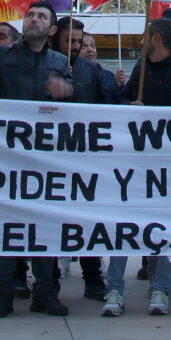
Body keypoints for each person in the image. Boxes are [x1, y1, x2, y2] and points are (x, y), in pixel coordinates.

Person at [0, 0, 74, 319]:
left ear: (52, 30)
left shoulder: (60, 61)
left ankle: (46, 294)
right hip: (7, 158)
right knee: (6, 227)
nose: (33, 20)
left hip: (44, 159)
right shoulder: (1, 56)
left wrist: (68, 91)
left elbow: (75, 108)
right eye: (30, 15)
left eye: (41, 16)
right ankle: (3, 294)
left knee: (44, 228)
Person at [106, 18, 171, 316]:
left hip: (170, 167)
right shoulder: (141, 70)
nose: (141, 42)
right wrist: (128, 106)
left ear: (156, 38)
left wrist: (149, 113)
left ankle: (161, 288)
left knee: (167, 230)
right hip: (135, 165)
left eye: (145, 36)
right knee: (123, 227)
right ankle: (114, 289)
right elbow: (123, 102)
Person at [54, 16, 108, 302]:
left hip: (83, 156)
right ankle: (48, 280)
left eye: (78, 41)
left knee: (88, 220)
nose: (74, 46)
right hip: (50, 156)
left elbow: (104, 107)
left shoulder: (90, 70)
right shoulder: (45, 65)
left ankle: (92, 277)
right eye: (69, 41)